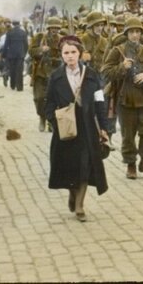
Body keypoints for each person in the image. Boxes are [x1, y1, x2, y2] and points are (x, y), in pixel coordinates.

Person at [45, 35, 109, 222]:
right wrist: (55, 121)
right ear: (61, 55)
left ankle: (80, 205)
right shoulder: (55, 77)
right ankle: (72, 194)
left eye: (73, 52)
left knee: (85, 166)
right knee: (69, 166)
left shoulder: (91, 75)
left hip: (87, 127)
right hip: (66, 128)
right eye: (66, 53)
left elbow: (100, 102)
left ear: (80, 53)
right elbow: (48, 103)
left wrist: (104, 127)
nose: (70, 56)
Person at [102, 17, 143, 181]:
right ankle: (130, 164)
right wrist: (122, 67)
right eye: (131, 32)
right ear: (126, 34)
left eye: (138, 32)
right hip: (125, 100)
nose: (135, 35)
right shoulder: (117, 51)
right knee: (128, 135)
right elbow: (105, 72)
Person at [29, 16, 64, 132]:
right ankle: (42, 117)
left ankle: (51, 121)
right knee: (39, 98)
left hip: (56, 73)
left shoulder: (62, 39)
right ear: (48, 28)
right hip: (41, 72)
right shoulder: (40, 37)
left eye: (57, 28)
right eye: (53, 27)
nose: (55, 30)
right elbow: (31, 51)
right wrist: (41, 49)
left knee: (54, 99)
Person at [1, 19, 29, 91]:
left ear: (13, 24)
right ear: (19, 24)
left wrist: (3, 55)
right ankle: (19, 87)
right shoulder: (23, 32)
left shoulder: (9, 32)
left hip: (11, 54)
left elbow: (6, 45)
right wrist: (24, 53)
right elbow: (26, 45)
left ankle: (13, 85)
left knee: (12, 70)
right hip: (20, 54)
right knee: (19, 70)